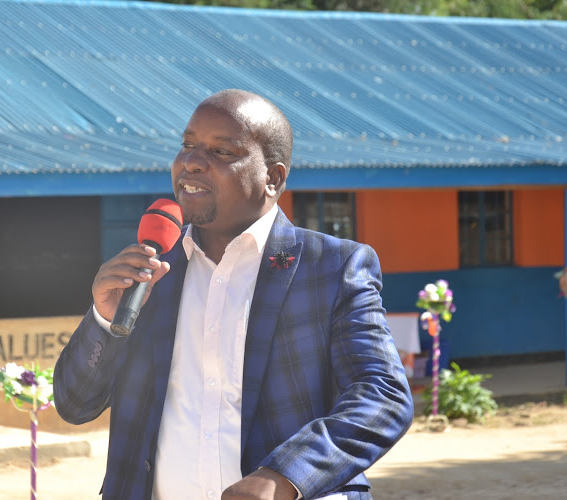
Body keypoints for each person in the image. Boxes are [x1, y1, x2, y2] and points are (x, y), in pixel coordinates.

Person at [54, 89, 413, 499]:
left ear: (272, 179)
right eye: (188, 145)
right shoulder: (149, 272)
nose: (190, 161)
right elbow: (75, 404)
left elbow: (382, 395)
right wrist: (104, 320)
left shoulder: (331, 267)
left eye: (221, 152)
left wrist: (285, 477)